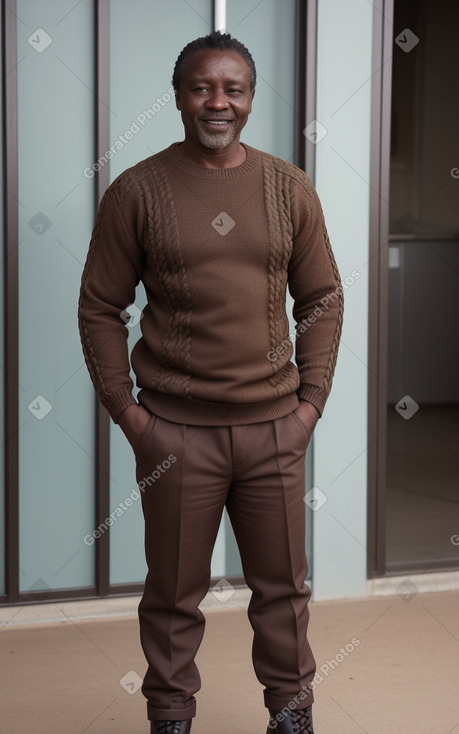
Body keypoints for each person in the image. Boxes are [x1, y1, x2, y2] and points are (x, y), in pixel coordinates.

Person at [78, 30, 343, 734]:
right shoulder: (138, 190)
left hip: (273, 430)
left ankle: (290, 714)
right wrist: (129, 413)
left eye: (233, 88)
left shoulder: (288, 187)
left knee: (283, 589)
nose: (216, 102)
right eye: (201, 87)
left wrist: (308, 405)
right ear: (178, 97)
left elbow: (322, 297)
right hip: (174, 433)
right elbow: (101, 305)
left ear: (251, 99)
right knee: (172, 593)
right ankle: (170, 718)